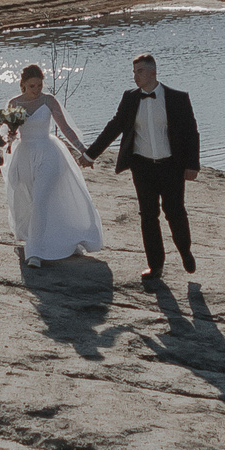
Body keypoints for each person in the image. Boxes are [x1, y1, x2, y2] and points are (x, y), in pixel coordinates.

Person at [88, 52, 199, 286]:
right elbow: (114, 127)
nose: (135, 76)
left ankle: (185, 251)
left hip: (171, 165)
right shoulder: (129, 98)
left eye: (140, 71)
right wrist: (90, 154)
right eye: (134, 72)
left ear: (153, 72)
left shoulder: (177, 98)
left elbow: (191, 133)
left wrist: (192, 165)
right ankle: (156, 266)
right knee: (148, 216)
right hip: (142, 166)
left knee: (175, 212)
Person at [1, 63, 102, 268]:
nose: (37, 89)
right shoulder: (14, 103)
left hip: (48, 152)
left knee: (40, 199)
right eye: (32, 86)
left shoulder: (48, 101)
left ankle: (34, 253)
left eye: (39, 85)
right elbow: (9, 134)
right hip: (25, 155)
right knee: (32, 200)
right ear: (23, 85)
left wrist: (83, 150)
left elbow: (65, 128)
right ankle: (58, 239)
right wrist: (11, 136)